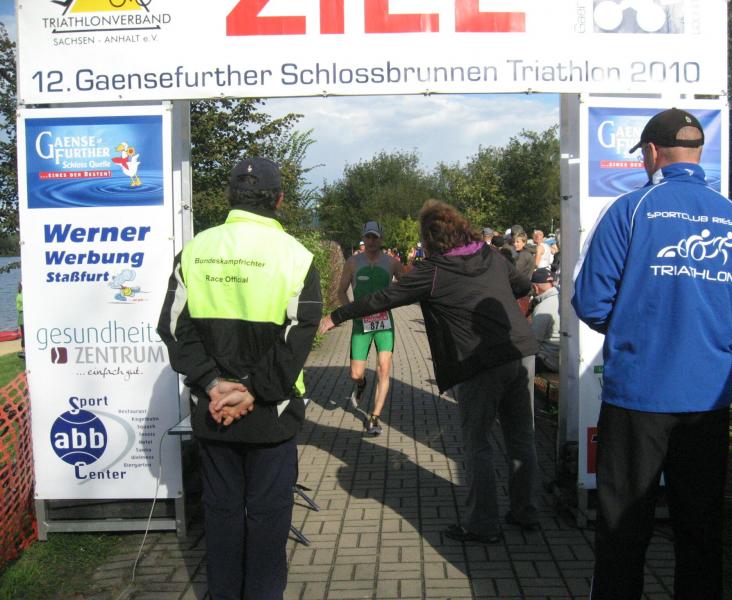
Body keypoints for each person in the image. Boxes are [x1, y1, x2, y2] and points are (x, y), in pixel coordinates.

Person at [572, 108, 732, 600]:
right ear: (699, 153)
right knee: (701, 528)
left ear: (651, 152)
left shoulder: (630, 209)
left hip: (637, 395)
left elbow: (591, 302)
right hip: (707, 398)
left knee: (623, 528)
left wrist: (643, 327)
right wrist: (706, 327)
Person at [320, 200, 540, 543]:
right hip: (520, 353)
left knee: (478, 442)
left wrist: (336, 316)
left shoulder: (434, 270)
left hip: (480, 362)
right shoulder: (489, 254)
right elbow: (523, 286)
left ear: (431, 239)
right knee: (521, 437)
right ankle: (526, 513)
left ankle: (483, 525)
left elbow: (383, 298)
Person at [158, 157, 322, 600]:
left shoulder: (194, 251)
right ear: (280, 200)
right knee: (269, 517)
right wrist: (253, 391)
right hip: (272, 414)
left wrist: (214, 384)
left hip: (213, 413)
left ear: (229, 196)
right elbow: (299, 336)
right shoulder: (297, 257)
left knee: (222, 514)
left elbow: (173, 329)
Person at [335, 220, 404, 435]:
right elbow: (341, 291)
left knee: (384, 368)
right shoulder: (353, 262)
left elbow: (407, 288)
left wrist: (396, 299)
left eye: (375, 237)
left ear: (381, 239)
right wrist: (350, 312)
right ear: (363, 238)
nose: (372, 240)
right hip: (361, 323)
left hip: (384, 324)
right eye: (368, 237)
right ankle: (362, 383)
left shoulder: (392, 263)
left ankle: (374, 417)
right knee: (355, 374)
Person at [527, 268, 559, 373]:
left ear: (535, 287)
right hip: (565, 359)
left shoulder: (543, 307)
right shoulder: (563, 298)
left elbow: (533, 341)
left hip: (548, 361)